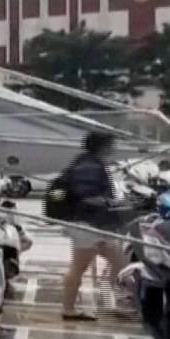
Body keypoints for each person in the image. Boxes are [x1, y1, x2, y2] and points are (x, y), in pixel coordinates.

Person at [54, 131, 124, 321]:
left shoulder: (90, 162)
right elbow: (87, 196)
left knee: (120, 260)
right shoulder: (88, 166)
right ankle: (68, 309)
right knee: (79, 267)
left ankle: (109, 301)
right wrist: (113, 203)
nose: (115, 148)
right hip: (86, 224)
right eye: (112, 144)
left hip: (94, 223)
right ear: (104, 146)